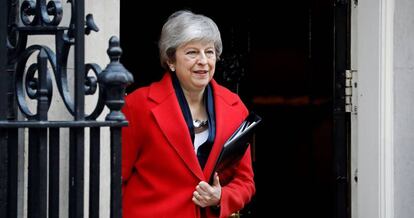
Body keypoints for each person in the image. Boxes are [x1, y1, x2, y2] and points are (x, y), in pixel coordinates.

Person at [121, 10, 255, 218]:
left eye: (209, 52)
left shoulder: (235, 107)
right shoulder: (138, 105)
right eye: (192, 52)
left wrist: (222, 197)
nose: (203, 61)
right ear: (171, 61)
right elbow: (115, 179)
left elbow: (245, 181)